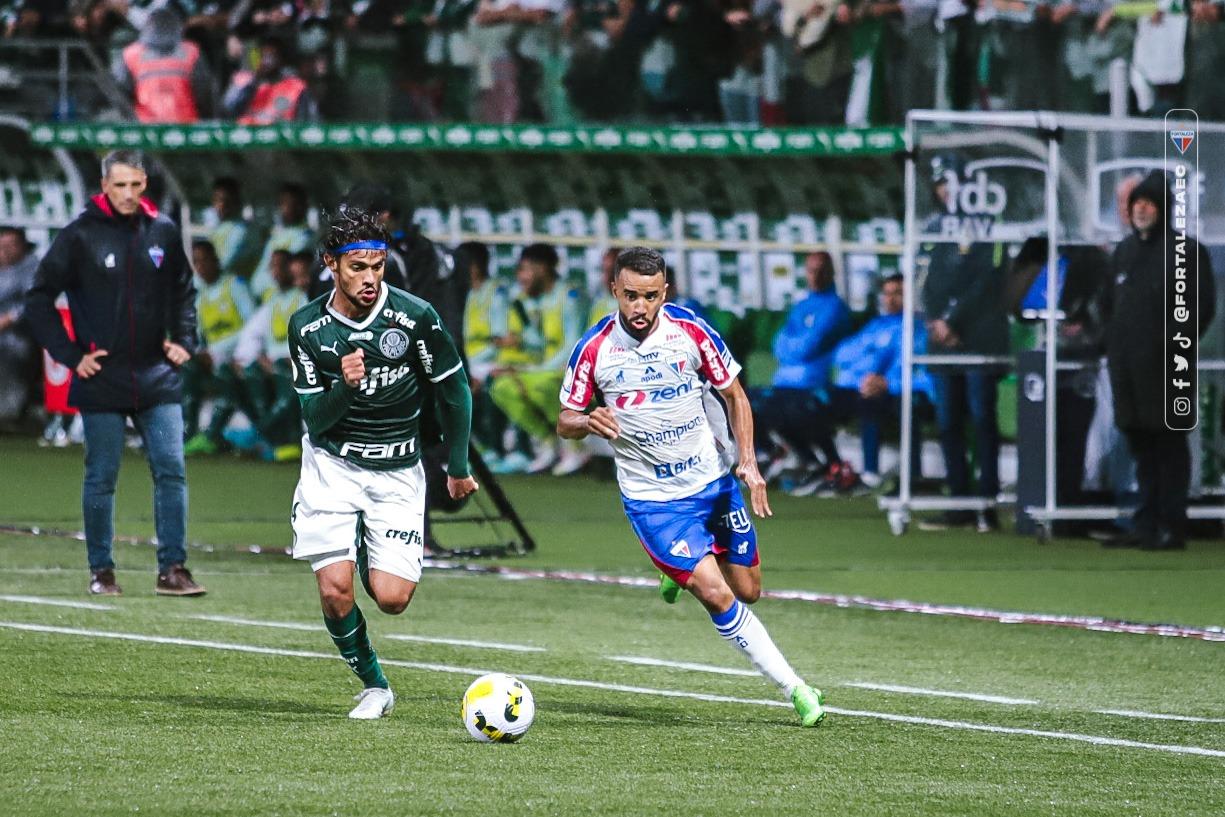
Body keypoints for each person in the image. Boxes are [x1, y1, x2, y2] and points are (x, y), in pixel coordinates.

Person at [556, 246, 826, 728]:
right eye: (631, 296)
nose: (640, 308)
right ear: (615, 290)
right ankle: (796, 689)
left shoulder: (691, 331)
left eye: (651, 296)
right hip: (654, 502)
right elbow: (565, 420)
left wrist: (749, 462)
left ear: (665, 293)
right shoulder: (595, 348)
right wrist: (586, 421)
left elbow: (735, 394)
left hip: (713, 480)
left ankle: (678, 569)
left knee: (749, 589)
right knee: (717, 593)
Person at [287, 206, 477, 719]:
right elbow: (315, 418)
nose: (370, 278)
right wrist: (344, 388)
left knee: (392, 598)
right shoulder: (307, 328)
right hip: (333, 467)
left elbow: (454, 388)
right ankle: (375, 684)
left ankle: (369, 548)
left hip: (397, 470)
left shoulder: (416, 317)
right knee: (335, 589)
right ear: (331, 264)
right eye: (357, 268)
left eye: (377, 265)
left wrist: (457, 466)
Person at [22, 149, 205, 597]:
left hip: (156, 374)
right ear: (104, 186)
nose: (127, 193)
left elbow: (183, 290)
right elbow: (38, 300)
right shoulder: (79, 236)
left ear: (145, 186)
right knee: (101, 476)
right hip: (101, 377)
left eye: (135, 185)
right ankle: (101, 572)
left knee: (172, 469)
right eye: (119, 185)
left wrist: (185, 340)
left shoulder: (162, 230)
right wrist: (70, 355)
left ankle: (173, 570)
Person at [1103, 170, 1216, 551]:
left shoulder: (1186, 252)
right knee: (1140, 447)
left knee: (1169, 447)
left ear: (1164, 207)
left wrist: (1172, 345)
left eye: (1149, 203)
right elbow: (1109, 307)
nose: (1141, 210)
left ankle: (1172, 525)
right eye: (1137, 203)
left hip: (1169, 368)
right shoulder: (1124, 252)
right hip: (1129, 371)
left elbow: (1200, 307)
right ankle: (1145, 522)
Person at [919, 163, 1010, 532]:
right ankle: (959, 502)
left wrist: (953, 320)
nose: (946, 191)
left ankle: (986, 503)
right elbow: (924, 276)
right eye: (941, 184)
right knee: (948, 423)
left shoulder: (990, 226)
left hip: (978, 339)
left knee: (982, 420)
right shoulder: (933, 228)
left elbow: (990, 278)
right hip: (943, 343)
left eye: (952, 183)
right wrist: (936, 320)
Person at [792, 273, 931, 496]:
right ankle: (831, 465)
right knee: (811, 402)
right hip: (866, 387)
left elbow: (924, 375)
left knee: (878, 404)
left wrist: (886, 382)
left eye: (898, 293)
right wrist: (870, 365)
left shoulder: (921, 329)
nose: (891, 299)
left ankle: (876, 475)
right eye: (887, 294)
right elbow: (843, 355)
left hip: (905, 392)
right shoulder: (876, 325)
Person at [489, 243, 589, 475]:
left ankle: (575, 445)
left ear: (542, 268)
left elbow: (574, 345)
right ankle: (548, 441)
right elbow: (542, 344)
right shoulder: (540, 300)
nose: (521, 276)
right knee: (501, 387)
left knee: (540, 385)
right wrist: (520, 344)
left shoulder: (570, 297)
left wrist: (532, 371)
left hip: (576, 368)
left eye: (525, 269)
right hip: (549, 367)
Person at [753, 251, 851, 482]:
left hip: (815, 383)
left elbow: (809, 345)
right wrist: (796, 346)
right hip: (786, 382)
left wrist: (794, 347)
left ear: (831, 273)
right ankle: (783, 455)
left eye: (820, 270)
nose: (815, 276)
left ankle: (831, 466)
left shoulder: (835, 307)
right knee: (744, 403)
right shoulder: (801, 305)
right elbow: (779, 344)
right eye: (810, 270)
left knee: (798, 409)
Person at [182, 239, 257, 450]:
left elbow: (251, 327)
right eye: (196, 262)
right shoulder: (200, 295)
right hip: (212, 357)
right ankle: (190, 432)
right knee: (187, 368)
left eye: (205, 260)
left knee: (226, 374)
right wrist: (196, 352)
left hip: (239, 355)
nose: (201, 266)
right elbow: (196, 333)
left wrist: (214, 351)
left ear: (216, 260)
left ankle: (212, 435)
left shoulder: (235, 286)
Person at [113, 7, 216, 123]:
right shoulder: (192, 52)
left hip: (144, 130)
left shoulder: (130, 54)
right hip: (187, 129)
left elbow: (120, 96)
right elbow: (205, 95)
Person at [222, 36, 320, 124]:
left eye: (270, 56)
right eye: (260, 56)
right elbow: (228, 111)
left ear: (280, 58)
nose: (265, 61)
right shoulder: (243, 81)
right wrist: (251, 83)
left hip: (283, 140)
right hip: (247, 139)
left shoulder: (295, 86)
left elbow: (307, 121)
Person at [249, 182, 314, 302]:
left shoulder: (307, 238)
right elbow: (257, 280)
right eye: (285, 204)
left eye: (294, 204)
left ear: (304, 206)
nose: (289, 208)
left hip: (293, 299)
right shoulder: (275, 239)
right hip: (270, 301)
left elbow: (289, 273)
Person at [0, 227, 39, 425]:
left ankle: (8, 413)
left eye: (9, 246)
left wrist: (7, 319)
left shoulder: (30, 266)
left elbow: (32, 303)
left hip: (20, 336)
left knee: (9, 351)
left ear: (22, 246)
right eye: (1, 246)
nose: (4, 251)